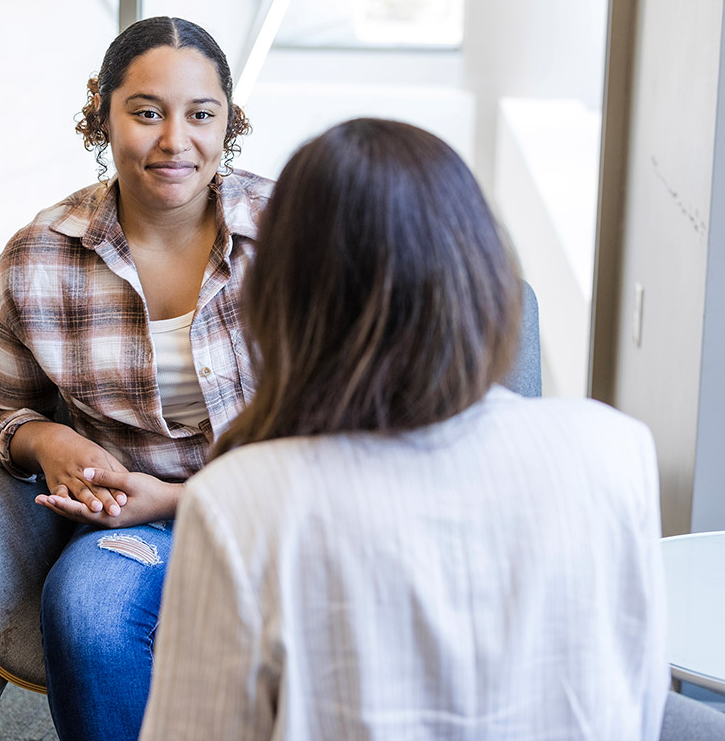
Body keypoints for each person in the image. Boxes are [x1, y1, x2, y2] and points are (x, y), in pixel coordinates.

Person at [140, 118, 670, 740]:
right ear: (483, 274)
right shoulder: (614, 448)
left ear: (284, 299)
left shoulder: (243, 501)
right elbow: (637, 693)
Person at [0, 16, 273, 741]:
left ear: (229, 122)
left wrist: (176, 497)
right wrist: (46, 443)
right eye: (145, 113)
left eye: (201, 114)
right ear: (101, 116)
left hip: (290, 517)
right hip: (135, 525)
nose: (175, 141)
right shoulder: (38, 260)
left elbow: (361, 426)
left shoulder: (298, 233)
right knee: (89, 613)